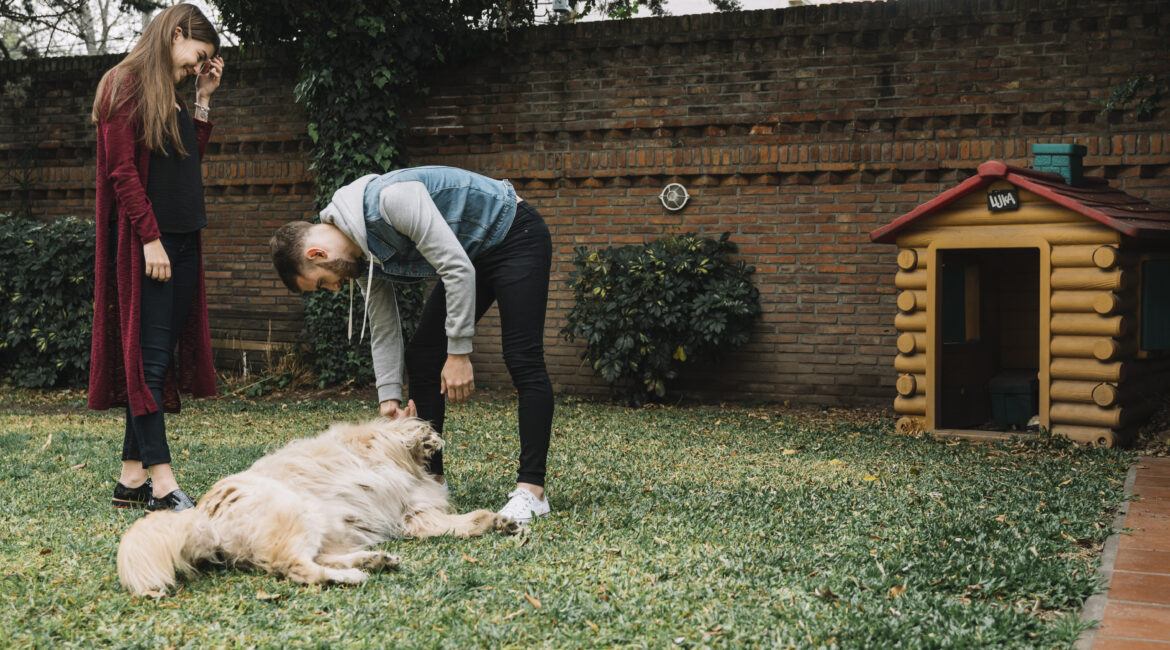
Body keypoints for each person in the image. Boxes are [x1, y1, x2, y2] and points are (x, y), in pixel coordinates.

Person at [269, 166, 554, 523]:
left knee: (522, 356)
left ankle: (532, 491)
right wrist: (389, 398)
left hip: (514, 233)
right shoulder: (361, 256)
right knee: (423, 353)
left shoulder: (391, 200)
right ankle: (433, 482)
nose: (334, 288)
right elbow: (384, 325)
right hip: (471, 254)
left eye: (322, 282)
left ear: (317, 254)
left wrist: (458, 353)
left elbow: (457, 269)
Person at [88, 3, 225, 513]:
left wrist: (202, 100)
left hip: (184, 240)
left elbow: (185, 163)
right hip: (150, 244)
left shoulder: (170, 94)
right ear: (177, 32)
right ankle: (163, 486)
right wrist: (149, 239)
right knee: (147, 360)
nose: (198, 65)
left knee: (156, 359)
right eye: (198, 55)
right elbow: (121, 172)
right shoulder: (122, 84)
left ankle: (130, 480)